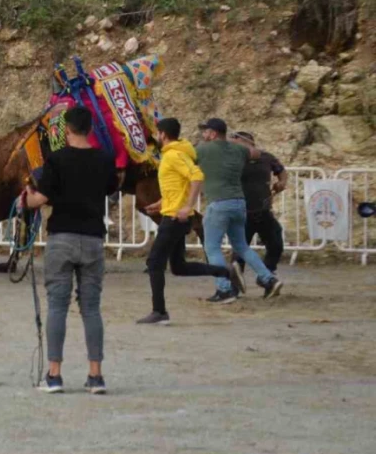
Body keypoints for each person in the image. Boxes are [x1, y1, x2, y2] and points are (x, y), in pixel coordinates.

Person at [22, 107, 116, 395]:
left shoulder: (57, 159)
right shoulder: (104, 159)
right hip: (92, 239)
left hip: (62, 236)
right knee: (91, 308)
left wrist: (25, 197)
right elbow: (111, 188)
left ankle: (54, 374)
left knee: (58, 306)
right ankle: (95, 375)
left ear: (67, 130)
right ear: (90, 129)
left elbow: (40, 200)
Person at [137, 118, 238, 325]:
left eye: (157, 133)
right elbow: (178, 186)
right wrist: (160, 202)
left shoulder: (174, 155)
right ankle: (225, 271)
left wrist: (187, 206)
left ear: (163, 134)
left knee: (155, 263)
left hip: (175, 218)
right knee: (178, 267)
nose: (156, 136)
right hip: (173, 213)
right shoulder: (172, 154)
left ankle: (159, 311)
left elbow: (197, 176)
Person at [196, 118, 283, 303]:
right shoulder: (239, 150)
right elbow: (257, 153)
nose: (203, 135)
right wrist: (236, 143)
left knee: (212, 247)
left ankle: (224, 289)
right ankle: (269, 279)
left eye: (205, 132)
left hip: (218, 202)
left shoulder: (203, 149)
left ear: (212, 133)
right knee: (242, 246)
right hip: (239, 203)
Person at [231, 132, 287, 278]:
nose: (232, 143)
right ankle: (234, 283)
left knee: (276, 243)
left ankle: (268, 274)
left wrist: (282, 182)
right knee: (240, 250)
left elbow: (281, 171)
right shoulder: (232, 159)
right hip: (242, 210)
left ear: (246, 140)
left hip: (263, 209)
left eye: (235, 140)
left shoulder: (266, 157)